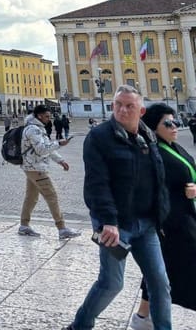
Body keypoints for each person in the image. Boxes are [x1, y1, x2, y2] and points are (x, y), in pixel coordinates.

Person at [65, 86, 171, 330]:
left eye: (129, 106)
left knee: (160, 283)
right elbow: (96, 184)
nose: (122, 110)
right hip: (115, 225)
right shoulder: (99, 137)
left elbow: (158, 177)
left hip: (146, 224)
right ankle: (80, 325)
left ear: (141, 111)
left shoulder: (149, 137)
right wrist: (108, 221)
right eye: (118, 105)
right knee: (112, 283)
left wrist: (161, 214)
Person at [129, 103, 196, 329]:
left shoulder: (172, 146)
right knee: (173, 269)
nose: (175, 126)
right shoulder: (153, 153)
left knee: (160, 271)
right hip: (171, 223)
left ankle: (141, 317)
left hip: (184, 218)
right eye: (168, 123)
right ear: (154, 126)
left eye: (175, 121)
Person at [16, 105, 80, 240]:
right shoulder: (33, 129)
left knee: (31, 197)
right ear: (39, 116)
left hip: (32, 167)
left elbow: (46, 147)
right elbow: (41, 149)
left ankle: (24, 225)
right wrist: (59, 143)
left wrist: (60, 160)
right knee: (52, 196)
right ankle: (62, 228)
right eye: (46, 116)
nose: (49, 118)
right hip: (36, 168)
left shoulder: (38, 128)